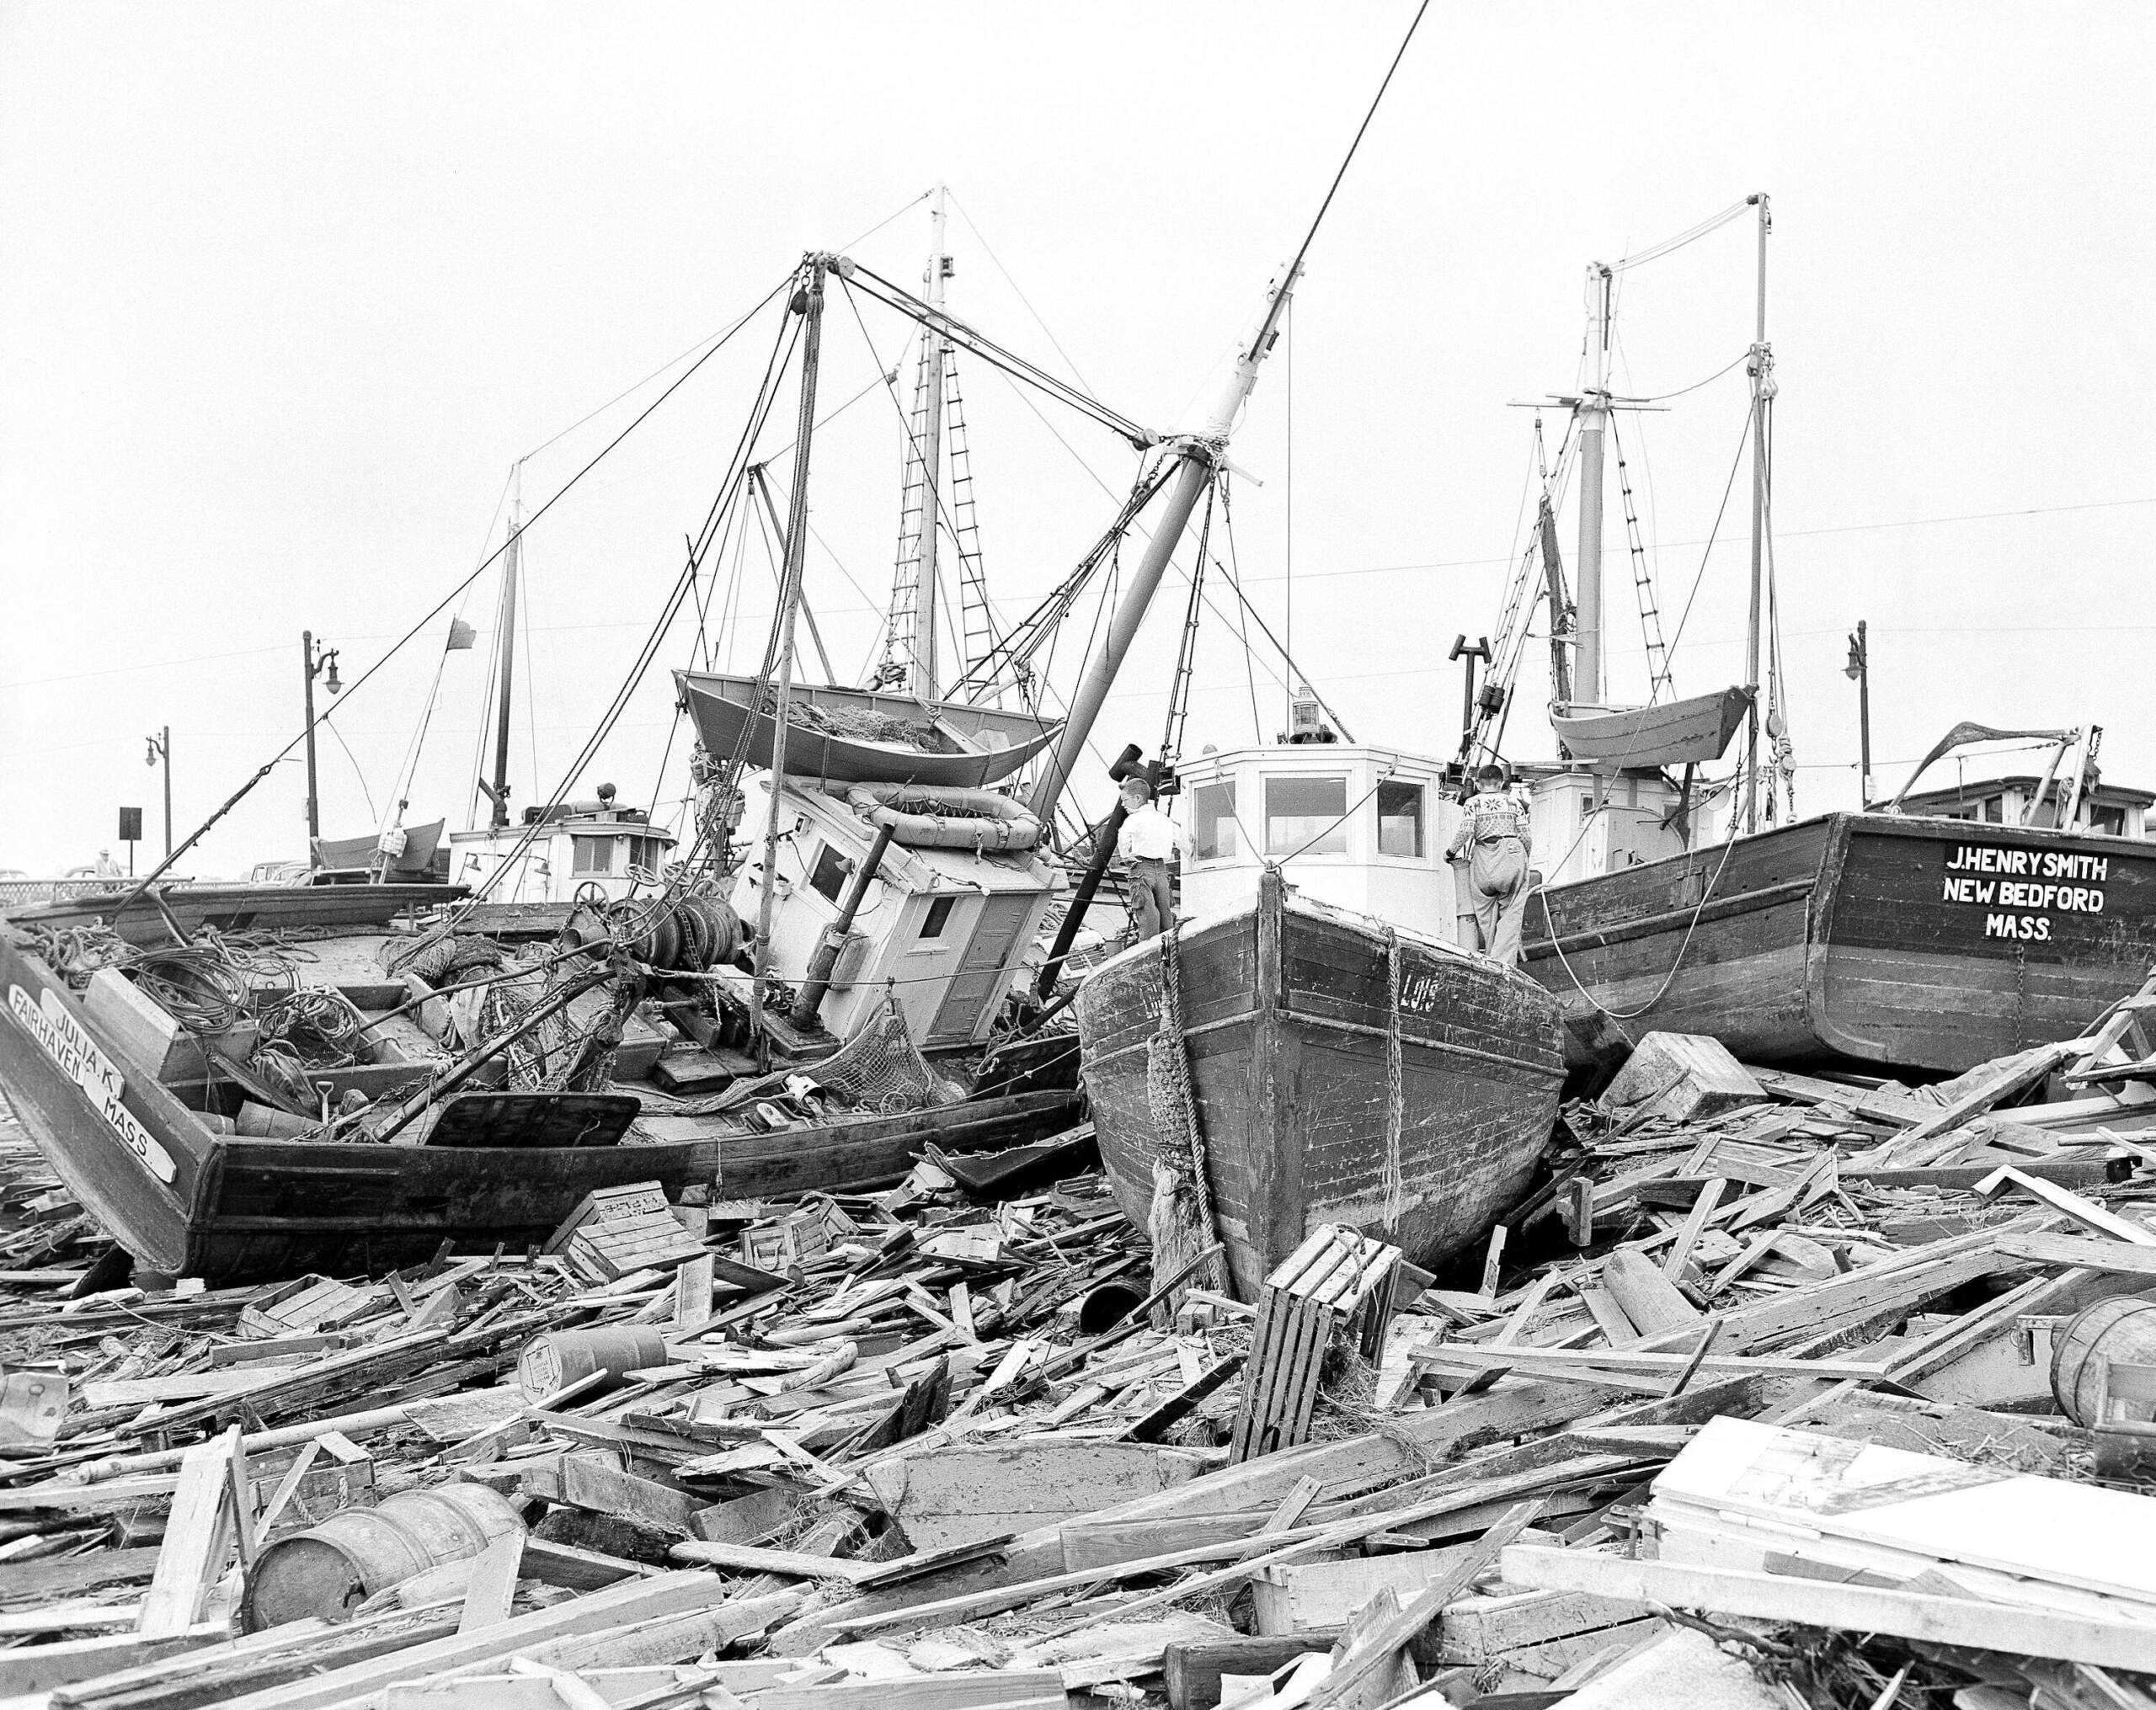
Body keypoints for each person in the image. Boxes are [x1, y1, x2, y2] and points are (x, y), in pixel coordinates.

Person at [1447, 760, 1533, 964]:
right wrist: (1523, 859)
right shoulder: (1514, 803)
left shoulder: (1472, 803)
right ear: (1501, 783)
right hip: (1512, 853)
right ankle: (1503, 962)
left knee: (1485, 912)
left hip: (1484, 858)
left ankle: (1490, 957)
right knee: (1511, 915)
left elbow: (1467, 829)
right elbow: (1526, 837)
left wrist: (1451, 852)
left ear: (1478, 784)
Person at [1116, 775, 1183, 940]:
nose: (1123, 804)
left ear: (1137, 798)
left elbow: (1123, 837)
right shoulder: (1164, 819)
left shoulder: (1134, 819)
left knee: (1148, 915)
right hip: (1161, 870)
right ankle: (1168, 949)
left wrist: (1126, 856)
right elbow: (1181, 839)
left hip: (1142, 869)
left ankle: (1148, 949)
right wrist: (1189, 851)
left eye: (1125, 800)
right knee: (1165, 915)